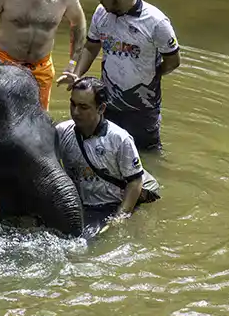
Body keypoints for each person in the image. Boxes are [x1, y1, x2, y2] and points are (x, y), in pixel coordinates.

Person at [57, 0, 180, 150]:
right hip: (108, 103)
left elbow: (173, 61)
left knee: (145, 155)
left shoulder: (156, 22)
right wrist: (77, 73)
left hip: (142, 108)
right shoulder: (102, 14)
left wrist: (150, 76)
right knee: (104, 149)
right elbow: (91, 47)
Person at [54, 77, 160, 232]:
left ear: (101, 109)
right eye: (73, 104)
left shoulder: (119, 139)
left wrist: (120, 218)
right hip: (82, 204)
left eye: (83, 107)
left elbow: (135, 183)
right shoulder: (61, 132)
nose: (75, 112)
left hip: (112, 204)